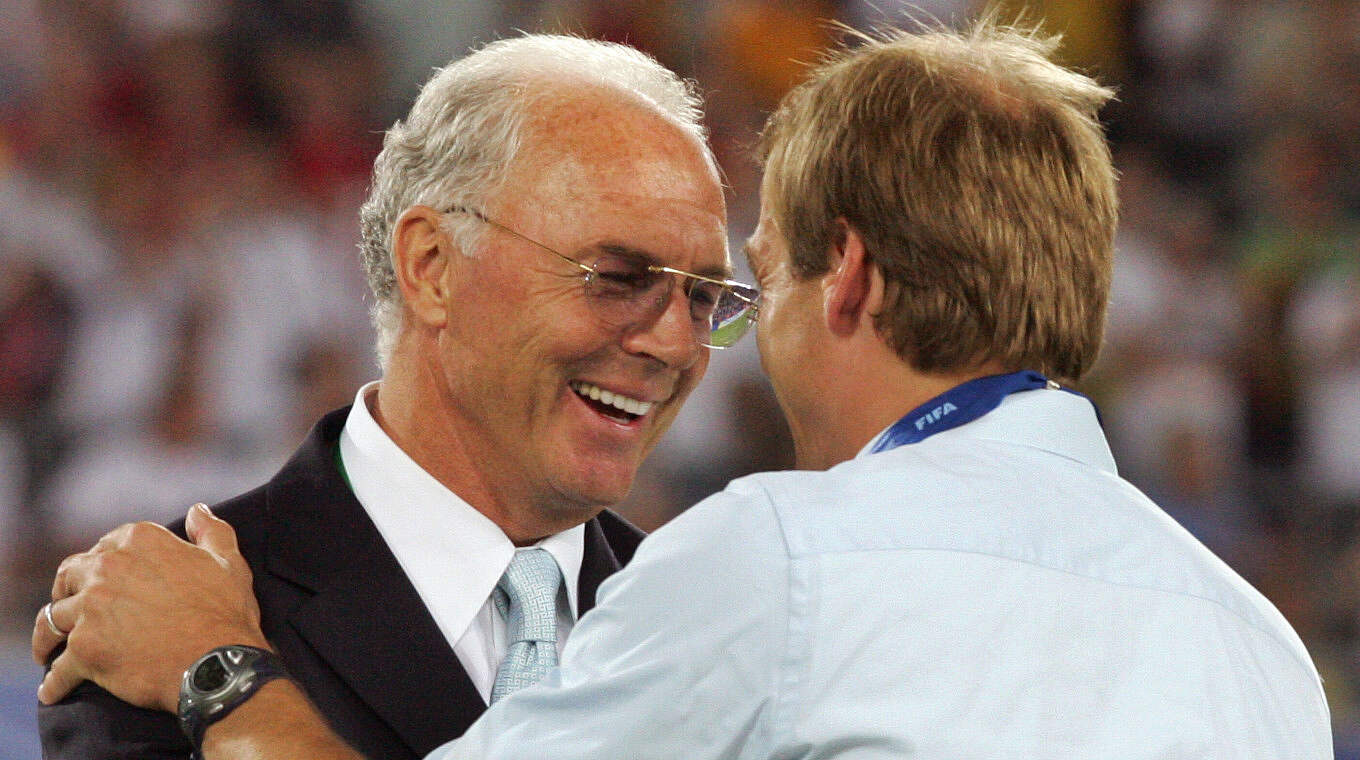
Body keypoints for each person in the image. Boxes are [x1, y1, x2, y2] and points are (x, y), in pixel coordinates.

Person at [35, 18, 1333, 759]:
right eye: (618, 276)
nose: (691, 345)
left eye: (740, 286)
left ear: (853, 283)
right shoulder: (1258, 641)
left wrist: (213, 666)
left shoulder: (783, 558)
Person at [35, 33, 751, 760]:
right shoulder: (146, 617)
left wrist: (229, 684)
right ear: (433, 266)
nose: (674, 345)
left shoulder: (720, 636)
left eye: (702, 297)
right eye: (619, 277)